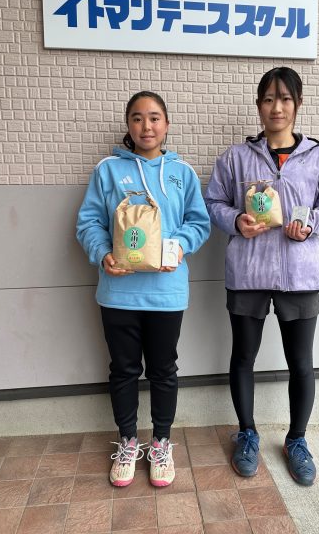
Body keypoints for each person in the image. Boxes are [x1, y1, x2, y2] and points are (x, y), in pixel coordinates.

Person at [205, 67, 319, 486]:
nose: (277, 107)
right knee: (243, 357)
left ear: (298, 104)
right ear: (259, 106)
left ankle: (297, 440)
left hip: (300, 275)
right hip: (248, 272)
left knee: (301, 363)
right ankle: (247, 434)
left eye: (285, 99)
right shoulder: (236, 157)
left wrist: (311, 224)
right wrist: (236, 221)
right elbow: (213, 202)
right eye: (268, 99)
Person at [77, 91, 210, 488]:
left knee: (164, 370)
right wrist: (103, 254)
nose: (146, 126)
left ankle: (162, 443)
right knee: (123, 370)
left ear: (166, 125)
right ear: (128, 125)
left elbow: (198, 222)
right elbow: (89, 222)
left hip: (167, 293)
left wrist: (179, 245)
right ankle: (128, 441)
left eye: (154, 118)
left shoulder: (182, 172)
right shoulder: (108, 171)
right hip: (118, 293)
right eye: (137, 118)